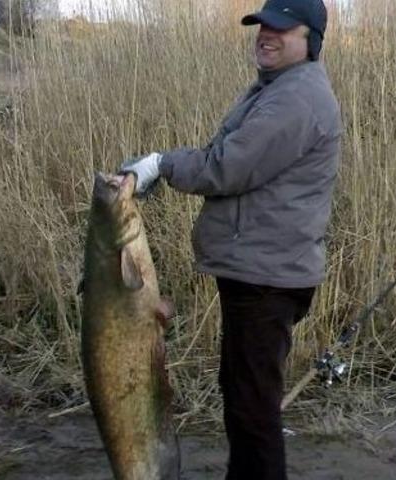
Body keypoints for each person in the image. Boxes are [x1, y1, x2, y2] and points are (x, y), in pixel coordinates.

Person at [121, 0, 342, 478]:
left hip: (268, 276)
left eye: (281, 29)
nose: (266, 35)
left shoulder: (297, 99)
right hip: (259, 270)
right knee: (245, 396)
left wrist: (161, 164)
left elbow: (226, 166)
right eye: (263, 25)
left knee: (253, 409)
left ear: (311, 40)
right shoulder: (277, 88)